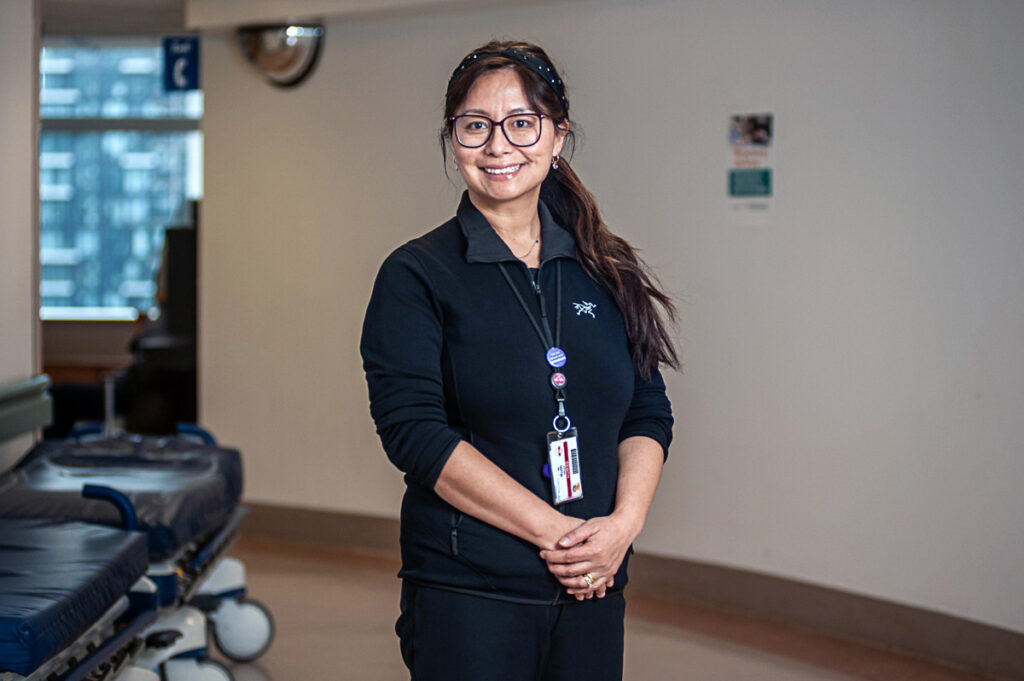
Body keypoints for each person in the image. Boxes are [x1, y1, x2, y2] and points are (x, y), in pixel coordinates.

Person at [360, 40, 678, 681]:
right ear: (453, 139)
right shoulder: (417, 274)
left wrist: (621, 527)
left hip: (594, 581)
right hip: (469, 589)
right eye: (475, 126)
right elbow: (415, 435)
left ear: (557, 135)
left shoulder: (605, 269)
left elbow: (647, 408)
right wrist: (560, 535)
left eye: (521, 123)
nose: (498, 146)